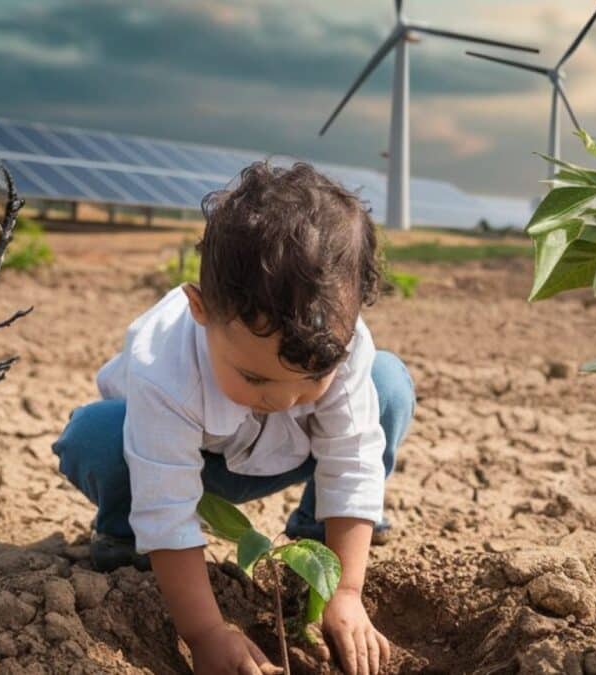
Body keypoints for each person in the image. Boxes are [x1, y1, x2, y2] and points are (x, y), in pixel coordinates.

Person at [53, 161, 414, 675]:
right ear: (201, 311)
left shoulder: (344, 345)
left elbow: (352, 458)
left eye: (312, 379)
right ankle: (125, 541)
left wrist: (346, 592)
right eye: (257, 379)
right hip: (186, 466)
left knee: (389, 385)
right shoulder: (165, 365)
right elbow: (168, 505)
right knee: (98, 436)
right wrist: (204, 634)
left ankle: (317, 540)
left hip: (288, 455)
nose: (287, 400)